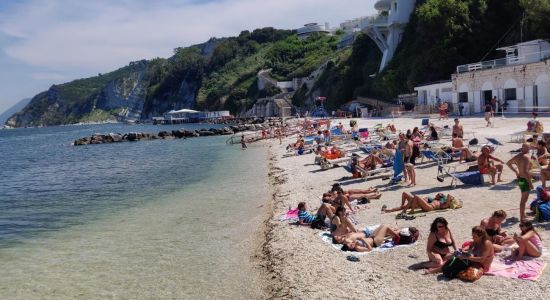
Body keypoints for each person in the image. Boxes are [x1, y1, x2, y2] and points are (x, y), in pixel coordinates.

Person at [426, 226, 494, 276]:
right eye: (472, 236)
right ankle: (440, 267)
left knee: (459, 260)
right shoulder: (477, 240)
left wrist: (466, 257)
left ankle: (438, 269)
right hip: (475, 260)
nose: (473, 238)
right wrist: (463, 250)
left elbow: (482, 260)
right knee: (457, 256)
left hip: (482, 265)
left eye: (475, 236)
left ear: (481, 236)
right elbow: (470, 247)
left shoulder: (486, 243)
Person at [507, 143, 534, 222]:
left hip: (520, 179)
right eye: (529, 147)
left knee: (523, 197)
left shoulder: (518, 155)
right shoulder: (526, 157)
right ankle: (522, 218)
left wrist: (516, 171)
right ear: (526, 148)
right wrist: (530, 183)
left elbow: (508, 163)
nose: (529, 148)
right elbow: (525, 171)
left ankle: (523, 214)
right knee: (524, 199)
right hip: (525, 179)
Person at [334, 225, 409, 252]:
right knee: (386, 227)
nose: (351, 244)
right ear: (351, 248)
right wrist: (363, 240)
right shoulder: (358, 248)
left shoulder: (355, 244)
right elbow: (370, 249)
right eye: (350, 245)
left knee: (382, 226)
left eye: (350, 244)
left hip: (371, 237)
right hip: (375, 242)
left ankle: (395, 234)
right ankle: (397, 236)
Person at [382, 192, 454, 215]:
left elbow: (449, 196)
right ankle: (401, 207)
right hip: (422, 204)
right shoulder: (434, 199)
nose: (436, 194)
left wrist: (451, 198)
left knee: (415, 197)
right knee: (405, 194)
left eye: (438, 194)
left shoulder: (443, 204)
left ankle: (411, 210)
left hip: (428, 207)